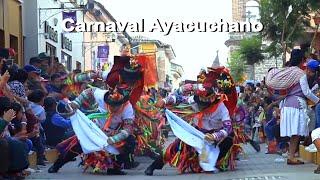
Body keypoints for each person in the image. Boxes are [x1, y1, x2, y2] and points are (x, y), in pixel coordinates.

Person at [144, 67, 236, 176]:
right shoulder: (195, 100)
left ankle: (215, 163)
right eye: (200, 101)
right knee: (176, 146)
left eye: (205, 102)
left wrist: (215, 136)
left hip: (214, 136)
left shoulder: (221, 107)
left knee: (229, 140)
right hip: (196, 131)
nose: (201, 104)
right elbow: (179, 99)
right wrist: (164, 101)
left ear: (212, 99)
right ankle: (153, 166)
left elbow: (228, 127)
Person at [280, 51, 320, 165]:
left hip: (287, 103)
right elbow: (306, 92)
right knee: (296, 133)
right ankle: (291, 156)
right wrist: (318, 100)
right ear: (302, 60)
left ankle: (290, 156)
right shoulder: (299, 74)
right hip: (296, 104)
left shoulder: (288, 72)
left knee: (295, 133)